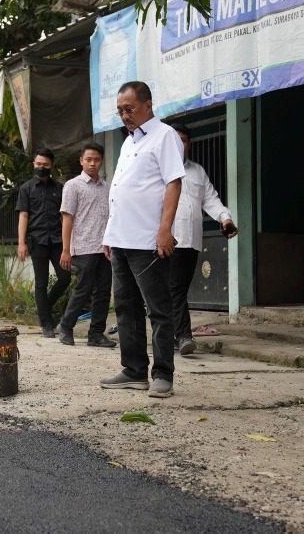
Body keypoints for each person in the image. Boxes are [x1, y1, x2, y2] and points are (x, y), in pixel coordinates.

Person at [99, 81, 185, 399]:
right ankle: (134, 370)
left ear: (148, 105)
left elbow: (173, 184)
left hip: (148, 241)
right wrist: (109, 234)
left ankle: (163, 373)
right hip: (121, 239)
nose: (124, 115)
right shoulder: (128, 143)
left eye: (129, 109)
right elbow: (120, 190)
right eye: (120, 110)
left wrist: (165, 229)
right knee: (125, 308)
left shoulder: (165, 137)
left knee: (159, 309)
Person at [169, 124, 238, 356]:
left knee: (178, 289)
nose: (180, 144)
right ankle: (184, 336)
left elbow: (210, 199)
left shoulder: (197, 171)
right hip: (166, 241)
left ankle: (169, 333)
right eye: (175, 139)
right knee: (175, 290)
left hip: (191, 241)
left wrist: (225, 218)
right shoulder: (157, 170)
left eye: (184, 140)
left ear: (189, 144)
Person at [56, 143, 115, 348]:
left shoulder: (107, 187)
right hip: (83, 247)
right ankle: (66, 327)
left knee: (104, 292)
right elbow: (67, 218)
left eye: (96, 159)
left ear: (101, 161)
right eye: (88, 159)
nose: (92, 163)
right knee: (83, 289)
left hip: (105, 248)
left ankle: (96, 334)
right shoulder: (73, 186)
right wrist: (66, 249)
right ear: (81, 161)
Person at [16, 147, 71, 337]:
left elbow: (65, 217)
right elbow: (23, 215)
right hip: (37, 241)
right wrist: (21, 243)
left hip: (57, 241)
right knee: (41, 282)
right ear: (34, 164)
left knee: (65, 277)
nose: (41, 167)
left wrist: (67, 245)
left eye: (45, 165)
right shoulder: (26, 188)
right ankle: (46, 324)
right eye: (38, 164)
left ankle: (44, 306)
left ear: (51, 166)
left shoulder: (60, 189)